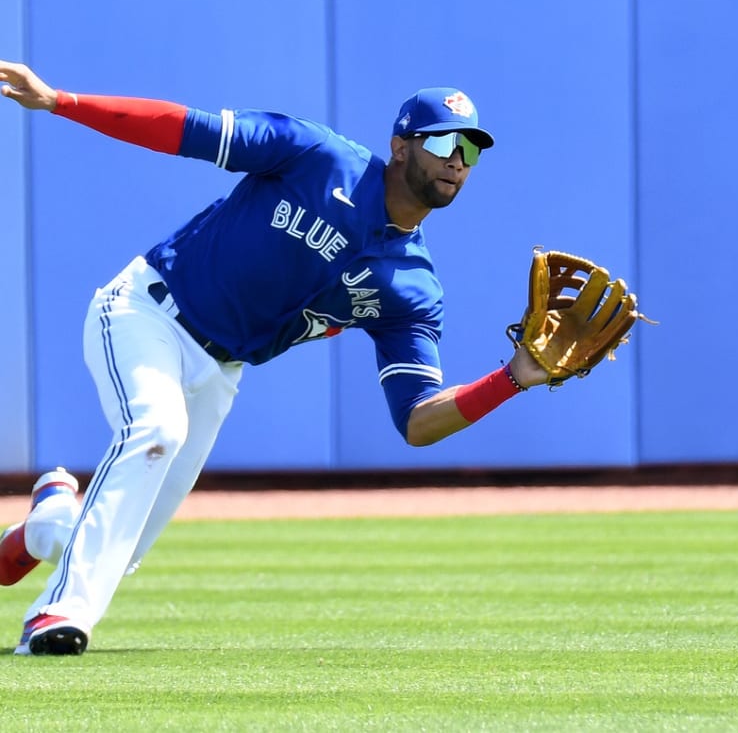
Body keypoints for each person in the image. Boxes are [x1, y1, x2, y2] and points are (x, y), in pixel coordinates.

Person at [0, 60, 551, 656]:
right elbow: (182, 129)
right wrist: (61, 100)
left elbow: (418, 420)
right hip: (148, 311)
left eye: (471, 149)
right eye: (443, 140)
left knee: (120, 545)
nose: (457, 159)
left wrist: (513, 378)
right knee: (157, 430)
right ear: (399, 147)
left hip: (221, 371)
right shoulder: (315, 155)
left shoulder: (413, 288)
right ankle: (57, 615)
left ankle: (50, 519)